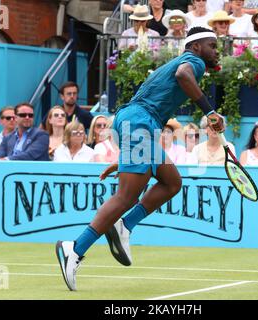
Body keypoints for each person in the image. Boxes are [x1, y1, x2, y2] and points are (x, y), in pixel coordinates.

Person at [55, 27, 225, 291]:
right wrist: (210, 112)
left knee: (172, 182)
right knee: (126, 197)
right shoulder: (193, 63)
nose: (216, 51)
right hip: (139, 123)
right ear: (196, 47)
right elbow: (183, 76)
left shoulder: (184, 62)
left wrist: (126, 160)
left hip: (137, 122)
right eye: (212, 45)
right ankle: (74, 249)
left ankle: (124, 226)